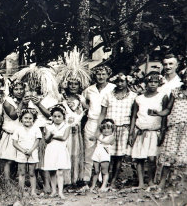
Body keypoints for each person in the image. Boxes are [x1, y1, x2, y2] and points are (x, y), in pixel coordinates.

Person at [151, 68, 187, 189]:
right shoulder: (175, 91)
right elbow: (168, 109)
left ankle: (180, 183)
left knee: (185, 155)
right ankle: (162, 182)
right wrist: (158, 113)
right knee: (168, 154)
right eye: (185, 77)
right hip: (174, 127)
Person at [13, 65, 60, 193]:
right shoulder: (28, 97)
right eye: (33, 83)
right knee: (35, 159)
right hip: (31, 131)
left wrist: (39, 103)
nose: (36, 85)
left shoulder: (51, 97)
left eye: (38, 82)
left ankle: (47, 184)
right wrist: (24, 102)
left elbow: (52, 115)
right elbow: (23, 115)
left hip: (45, 129)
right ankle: (37, 184)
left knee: (45, 158)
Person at [56, 48, 90, 185]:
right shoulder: (61, 97)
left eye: (76, 84)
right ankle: (64, 180)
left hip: (76, 132)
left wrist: (82, 101)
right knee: (65, 153)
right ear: (66, 84)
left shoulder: (81, 98)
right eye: (71, 84)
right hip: (65, 131)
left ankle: (75, 178)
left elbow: (87, 109)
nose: (73, 86)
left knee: (75, 154)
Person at [129, 72, 168, 189]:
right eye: (150, 82)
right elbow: (134, 116)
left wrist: (162, 131)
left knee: (152, 158)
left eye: (155, 82)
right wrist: (131, 132)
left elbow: (165, 116)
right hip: (141, 130)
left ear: (159, 83)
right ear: (146, 83)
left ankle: (150, 181)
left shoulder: (162, 96)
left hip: (154, 131)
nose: (152, 84)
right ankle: (141, 182)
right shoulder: (139, 98)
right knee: (139, 157)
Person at [99, 72, 137, 189]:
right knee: (107, 154)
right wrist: (99, 129)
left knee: (119, 156)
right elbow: (103, 113)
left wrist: (131, 133)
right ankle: (105, 179)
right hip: (109, 129)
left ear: (127, 82)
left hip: (124, 128)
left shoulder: (133, 96)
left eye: (122, 81)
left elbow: (133, 116)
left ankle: (114, 180)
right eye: (117, 81)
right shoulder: (108, 95)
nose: (120, 84)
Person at [81, 66, 115, 188]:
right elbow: (83, 102)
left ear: (108, 75)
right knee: (89, 150)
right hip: (92, 121)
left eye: (103, 74)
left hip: (107, 124)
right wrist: (87, 108)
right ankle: (87, 179)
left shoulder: (113, 88)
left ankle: (103, 179)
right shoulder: (89, 90)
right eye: (98, 74)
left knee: (105, 151)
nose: (101, 77)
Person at [0, 79, 25, 181]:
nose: (19, 91)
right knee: (8, 160)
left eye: (21, 89)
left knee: (17, 160)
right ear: (12, 90)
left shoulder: (25, 100)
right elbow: (13, 116)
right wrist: (22, 103)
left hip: (21, 133)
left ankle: (14, 180)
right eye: (16, 89)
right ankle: (7, 182)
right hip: (10, 133)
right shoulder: (7, 101)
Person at [43, 105, 71, 199]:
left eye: (59, 116)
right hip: (51, 149)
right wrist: (50, 135)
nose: (57, 118)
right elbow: (46, 140)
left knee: (60, 171)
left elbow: (64, 138)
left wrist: (52, 135)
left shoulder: (67, 126)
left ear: (63, 117)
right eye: (54, 116)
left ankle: (60, 192)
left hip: (61, 150)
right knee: (52, 171)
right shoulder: (49, 126)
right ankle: (54, 190)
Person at [12, 108, 42, 196]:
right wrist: (23, 150)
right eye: (25, 118)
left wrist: (31, 150)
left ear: (33, 120)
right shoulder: (18, 129)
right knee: (21, 172)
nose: (28, 120)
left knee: (32, 173)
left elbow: (37, 141)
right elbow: (14, 143)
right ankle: (21, 191)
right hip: (21, 153)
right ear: (21, 119)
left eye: (30, 118)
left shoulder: (36, 129)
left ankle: (33, 191)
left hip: (32, 153)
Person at [89, 119, 115, 192]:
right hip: (97, 153)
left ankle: (103, 185)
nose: (106, 130)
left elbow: (107, 142)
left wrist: (98, 139)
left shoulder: (112, 137)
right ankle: (93, 186)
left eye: (108, 128)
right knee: (96, 171)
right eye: (104, 128)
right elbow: (92, 138)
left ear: (112, 129)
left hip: (104, 154)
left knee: (104, 171)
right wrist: (92, 137)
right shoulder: (100, 135)